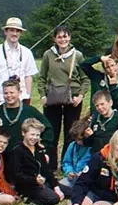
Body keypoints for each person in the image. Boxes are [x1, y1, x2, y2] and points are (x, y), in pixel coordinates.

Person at [31, 129, 118, 205]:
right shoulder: (99, 158)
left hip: (109, 199)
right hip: (93, 193)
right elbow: (82, 182)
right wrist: (76, 202)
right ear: (113, 144)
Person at [33, 26, 88, 171]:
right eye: (59, 37)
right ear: (54, 39)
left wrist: (81, 96)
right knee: (51, 132)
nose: (62, 39)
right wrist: (42, 96)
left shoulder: (78, 55)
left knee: (71, 133)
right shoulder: (48, 55)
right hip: (52, 98)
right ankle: (50, 165)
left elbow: (85, 78)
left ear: (69, 37)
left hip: (73, 98)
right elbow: (42, 78)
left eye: (65, 36)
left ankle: (66, 165)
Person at [0, 79, 52, 148]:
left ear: (19, 92)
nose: (9, 96)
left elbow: (47, 128)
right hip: (2, 154)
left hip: (25, 153)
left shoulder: (30, 111)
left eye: (12, 92)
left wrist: (44, 144)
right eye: (6, 93)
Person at [0, 17, 37, 104]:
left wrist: (28, 97)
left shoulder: (27, 52)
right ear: (5, 32)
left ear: (21, 33)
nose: (14, 33)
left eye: (17, 31)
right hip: (1, 99)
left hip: (22, 98)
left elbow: (28, 76)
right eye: (11, 30)